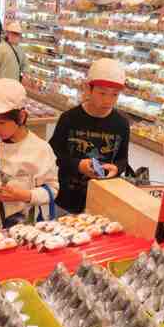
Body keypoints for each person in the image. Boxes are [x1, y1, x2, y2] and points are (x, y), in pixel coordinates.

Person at [0, 79, 59, 231]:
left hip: (28, 230)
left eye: (1, 122)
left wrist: (25, 195)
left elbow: (52, 189)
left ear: (21, 117)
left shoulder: (41, 149)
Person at [49, 58, 130, 214]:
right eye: (102, 93)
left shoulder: (121, 124)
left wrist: (116, 168)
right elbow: (53, 153)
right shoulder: (69, 118)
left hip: (101, 199)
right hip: (65, 197)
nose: (108, 100)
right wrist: (77, 165)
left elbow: (122, 159)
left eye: (114, 95)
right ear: (88, 89)